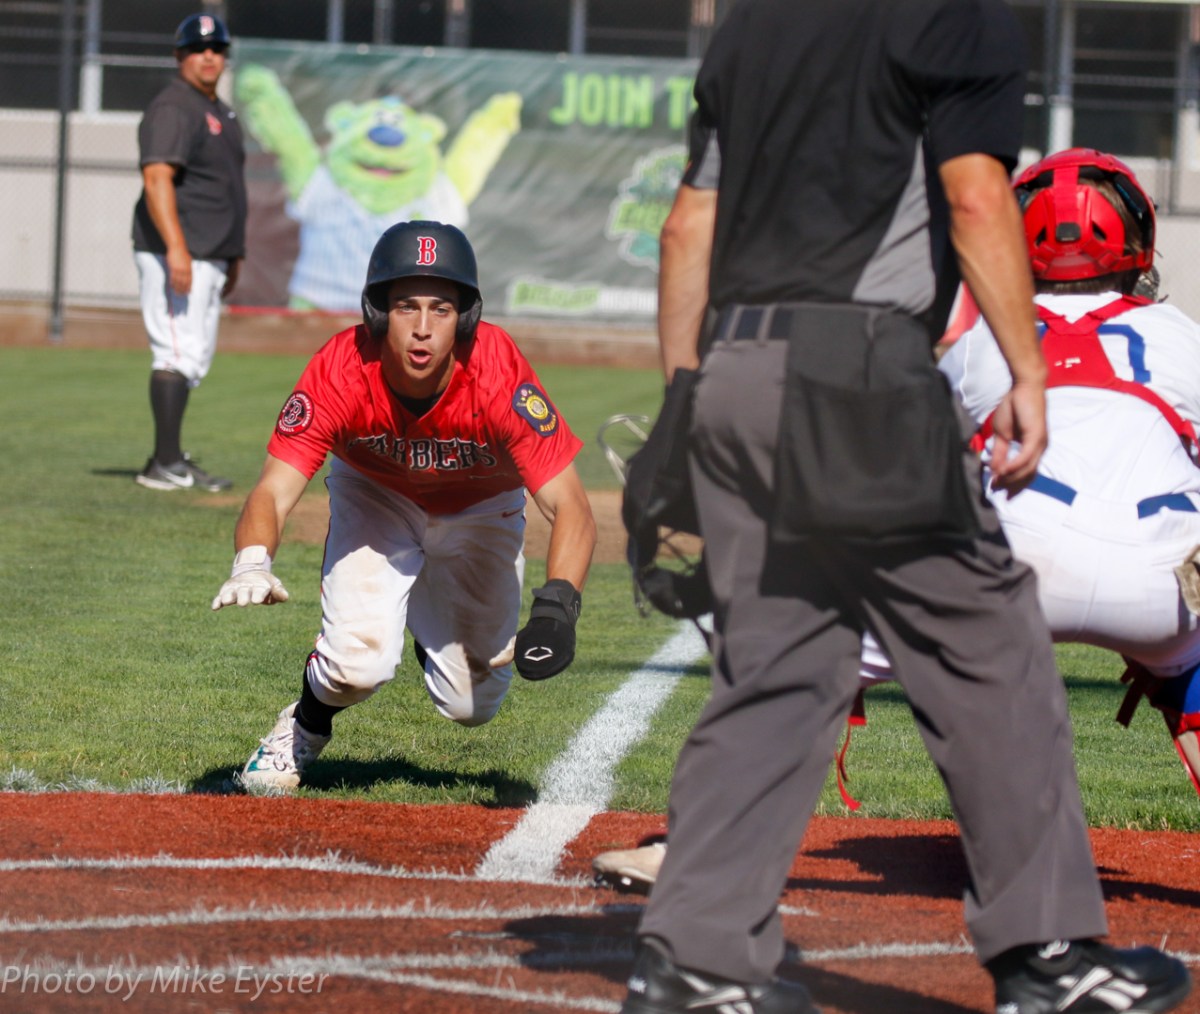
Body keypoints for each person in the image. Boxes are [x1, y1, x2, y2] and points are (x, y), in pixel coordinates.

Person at [619, 1, 1192, 1013]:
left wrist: (681, 404)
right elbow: (976, 201)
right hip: (865, 370)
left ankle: (696, 960)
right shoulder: (957, 15)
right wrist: (1025, 367)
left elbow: (686, 228)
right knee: (997, 659)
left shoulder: (751, 29)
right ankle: (1048, 956)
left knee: (779, 668)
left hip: (741, 363)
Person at [211, 220, 596, 792]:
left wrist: (557, 608)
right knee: (355, 665)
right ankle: (304, 727)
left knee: (471, 704)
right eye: (405, 306)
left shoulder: (495, 373)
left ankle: (422, 615)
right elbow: (273, 486)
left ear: (464, 318)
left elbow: (571, 506)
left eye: (440, 309)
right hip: (378, 496)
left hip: (482, 505)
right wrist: (251, 560)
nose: (421, 329)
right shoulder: (342, 369)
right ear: (376, 313)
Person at [938, 147, 1200, 801]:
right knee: (1191, 667)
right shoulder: (1181, 336)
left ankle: (721, 839)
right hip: (1159, 587)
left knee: (816, 653)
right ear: (1138, 242)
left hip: (1013, 571)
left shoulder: (978, 344)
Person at [131, 12, 245, 492]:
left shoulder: (217, 110)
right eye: (199, 49)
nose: (209, 57)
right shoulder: (175, 106)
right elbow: (157, 176)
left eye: (217, 49)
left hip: (208, 253)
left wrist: (231, 255)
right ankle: (162, 464)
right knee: (177, 352)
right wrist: (176, 249)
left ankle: (171, 455)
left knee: (192, 357)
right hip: (180, 252)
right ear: (180, 56)